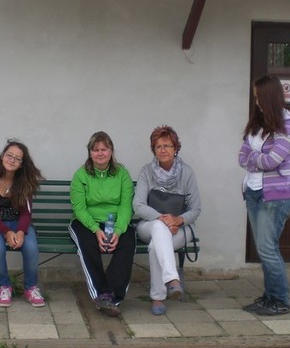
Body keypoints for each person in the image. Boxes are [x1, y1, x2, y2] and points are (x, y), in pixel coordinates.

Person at [239, 75, 290, 316]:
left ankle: (280, 300)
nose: (256, 102)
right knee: (264, 248)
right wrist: (256, 160)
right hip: (253, 191)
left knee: (267, 248)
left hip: (276, 195)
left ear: (270, 97)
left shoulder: (288, 125)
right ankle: (269, 296)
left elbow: (272, 160)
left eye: (259, 97)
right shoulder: (259, 123)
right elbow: (242, 156)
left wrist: (254, 159)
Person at [134, 126, 202, 316]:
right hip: (149, 225)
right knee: (158, 228)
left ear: (175, 148)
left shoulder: (187, 172)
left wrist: (178, 220)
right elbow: (138, 205)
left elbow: (196, 209)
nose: (163, 150)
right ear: (153, 150)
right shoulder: (146, 171)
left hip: (180, 227)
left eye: (167, 146)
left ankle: (157, 297)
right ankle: (172, 279)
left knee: (155, 247)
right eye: (158, 146)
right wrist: (162, 219)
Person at [69, 131, 136, 317]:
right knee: (87, 243)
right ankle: (101, 294)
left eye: (104, 149)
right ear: (90, 152)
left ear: (111, 151)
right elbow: (79, 208)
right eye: (95, 149)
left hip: (115, 223)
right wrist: (95, 230)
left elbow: (126, 205)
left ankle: (111, 295)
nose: (100, 153)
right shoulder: (81, 175)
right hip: (87, 223)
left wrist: (119, 231)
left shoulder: (122, 174)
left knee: (129, 240)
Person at [0, 140, 45, 308]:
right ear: (2, 156)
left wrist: (21, 231)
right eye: (9, 155)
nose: (12, 160)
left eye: (17, 158)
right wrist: (7, 232)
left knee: (31, 246)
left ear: (21, 163)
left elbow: (26, 213)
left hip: (19, 222)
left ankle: (31, 288)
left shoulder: (24, 180)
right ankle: (3, 286)